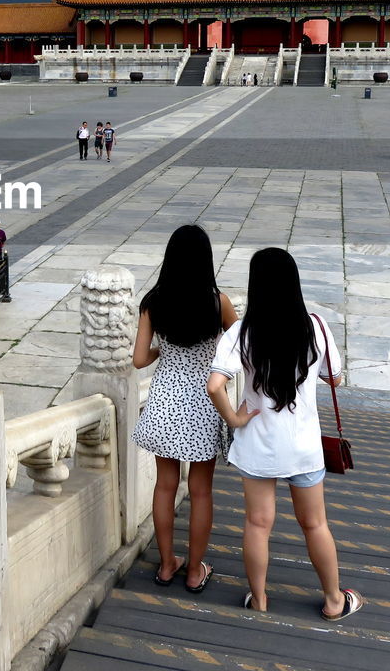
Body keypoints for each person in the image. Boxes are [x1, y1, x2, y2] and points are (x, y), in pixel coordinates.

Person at [206, 247, 362, 621]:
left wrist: (236, 418)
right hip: (303, 446)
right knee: (315, 524)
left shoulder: (241, 332)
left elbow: (214, 385)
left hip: (258, 446)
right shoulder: (316, 327)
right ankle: (333, 600)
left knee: (258, 524)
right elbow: (335, 378)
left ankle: (259, 600)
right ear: (294, 283)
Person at [132, 225, 239, 593]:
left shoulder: (153, 301)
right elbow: (241, 345)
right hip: (202, 404)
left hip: (164, 399)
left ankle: (166, 565)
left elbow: (139, 359)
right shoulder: (217, 301)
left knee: (165, 486)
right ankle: (195, 571)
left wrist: (168, 350)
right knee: (201, 491)